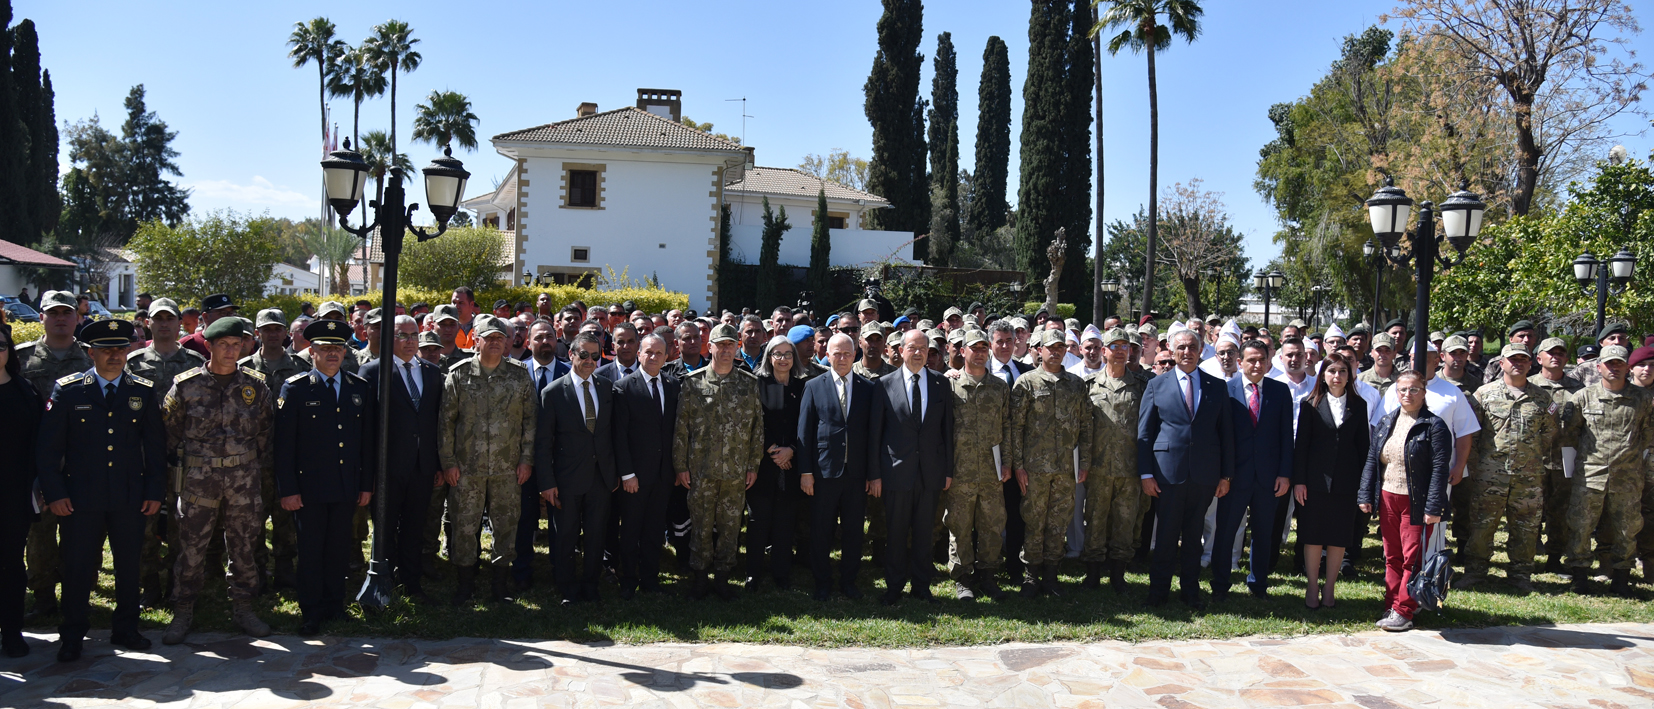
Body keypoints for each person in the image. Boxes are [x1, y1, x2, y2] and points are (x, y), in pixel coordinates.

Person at [35, 320, 165, 662]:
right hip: (80, 498)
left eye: (120, 349)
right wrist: (55, 493)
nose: (115, 356)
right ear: (91, 353)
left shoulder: (142, 391)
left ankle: (126, 628)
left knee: (128, 566)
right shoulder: (69, 390)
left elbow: (155, 448)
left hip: (129, 495)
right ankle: (72, 634)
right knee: (77, 566)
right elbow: (48, 450)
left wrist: (154, 491)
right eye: (107, 350)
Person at [160, 316, 273, 644]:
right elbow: (169, 434)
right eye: (223, 344)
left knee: (244, 545)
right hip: (199, 480)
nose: (230, 350)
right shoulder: (186, 386)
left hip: (243, 480)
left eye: (236, 344)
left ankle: (243, 606)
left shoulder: (256, 386)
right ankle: (183, 608)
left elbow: (265, 433)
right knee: (191, 546)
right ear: (208, 346)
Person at [273, 319, 374, 636]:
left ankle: (335, 605)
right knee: (311, 551)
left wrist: (365, 484)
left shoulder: (359, 388)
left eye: (338, 348)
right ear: (312, 352)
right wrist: (288, 489)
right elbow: (284, 445)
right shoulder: (296, 388)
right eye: (326, 348)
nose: (333, 354)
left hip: (345, 485)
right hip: (310, 488)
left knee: (339, 549)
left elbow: (366, 443)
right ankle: (311, 611)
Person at [439, 315, 537, 606]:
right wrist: (448, 462)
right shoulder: (458, 375)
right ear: (476, 341)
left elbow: (531, 421)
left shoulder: (519, 375)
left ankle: (499, 584)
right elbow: (446, 423)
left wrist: (526, 459)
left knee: (506, 525)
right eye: (489, 337)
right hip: (466, 469)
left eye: (500, 338)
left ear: (506, 342)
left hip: (508, 468)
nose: (495, 342)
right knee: (464, 526)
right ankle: (465, 584)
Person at [1137, 329, 1235, 609]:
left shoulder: (1216, 386)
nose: (1187, 352)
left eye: (1192, 347)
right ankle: (1158, 591)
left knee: (1194, 537)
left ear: (1201, 349)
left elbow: (1226, 434)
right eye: (1181, 347)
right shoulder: (1156, 384)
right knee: (1166, 535)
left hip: (1204, 474)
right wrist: (1146, 473)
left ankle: (1190, 591)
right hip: (1167, 474)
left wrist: (1226, 475)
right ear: (1171, 349)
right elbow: (1145, 433)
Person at [122, 297, 206, 604]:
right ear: (148, 323)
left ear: (179, 322)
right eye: (158, 319)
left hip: (183, 458)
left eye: (170, 318)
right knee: (144, 525)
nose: (164, 324)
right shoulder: (133, 363)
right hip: (144, 458)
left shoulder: (195, 362)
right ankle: (149, 585)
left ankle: (177, 585)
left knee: (181, 525)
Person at [673, 323, 764, 600]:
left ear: (737, 347)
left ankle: (723, 577)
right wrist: (680, 466)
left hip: (736, 471)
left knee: (730, 527)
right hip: (701, 470)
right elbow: (681, 428)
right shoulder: (693, 383)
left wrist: (753, 465)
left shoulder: (749, 383)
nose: (725, 349)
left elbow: (757, 429)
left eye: (730, 344)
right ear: (709, 347)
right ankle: (700, 578)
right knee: (700, 526)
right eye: (720, 344)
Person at [1458, 344, 1557, 593]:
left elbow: (1549, 434)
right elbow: (1472, 434)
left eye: (1523, 359)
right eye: (1513, 359)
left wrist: (1530, 458)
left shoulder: (1542, 398)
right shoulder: (1484, 394)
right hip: (1490, 475)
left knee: (1526, 527)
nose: (1518, 363)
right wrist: (1480, 465)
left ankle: (1520, 574)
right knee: (1482, 525)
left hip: (1528, 477)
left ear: (1530, 363)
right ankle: (1475, 571)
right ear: (1501, 363)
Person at [16, 290, 90, 619]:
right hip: (34, 460)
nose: (60, 318)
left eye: (66, 312)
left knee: (81, 531)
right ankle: (43, 595)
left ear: (78, 317)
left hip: (81, 460)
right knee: (40, 532)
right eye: (53, 312)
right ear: (41, 316)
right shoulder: (21, 358)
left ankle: (78, 595)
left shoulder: (90, 357)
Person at [1359, 371, 1452, 632]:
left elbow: (1440, 469)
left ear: (1424, 392)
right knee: (1392, 556)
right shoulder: (1387, 421)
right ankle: (1392, 603)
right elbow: (1372, 459)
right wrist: (1365, 494)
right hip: (1388, 497)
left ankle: (1404, 610)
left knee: (1413, 557)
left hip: (1417, 502)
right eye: (1402, 389)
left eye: (1414, 389)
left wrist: (1433, 506)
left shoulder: (1434, 426)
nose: (1407, 394)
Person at [359, 315, 444, 600]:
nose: (409, 341)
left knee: (414, 527)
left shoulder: (432, 372)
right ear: (388, 337)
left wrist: (437, 464)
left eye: (414, 335)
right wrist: (369, 472)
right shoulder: (373, 371)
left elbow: (435, 422)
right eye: (402, 335)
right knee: (384, 529)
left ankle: (411, 583)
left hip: (422, 466)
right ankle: (383, 582)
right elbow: (367, 426)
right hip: (387, 468)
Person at [868, 329, 955, 606]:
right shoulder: (884, 385)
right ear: (900, 350)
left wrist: (948, 471)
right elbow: (875, 434)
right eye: (912, 348)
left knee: (924, 533)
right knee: (895, 532)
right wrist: (875, 474)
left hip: (930, 472)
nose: (918, 353)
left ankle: (921, 586)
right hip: (896, 473)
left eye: (923, 349)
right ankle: (894, 587)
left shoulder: (941, 384)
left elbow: (947, 431)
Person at [1559, 345, 1652, 596]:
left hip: (1628, 477)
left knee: (1627, 528)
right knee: (1581, 526)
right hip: (1590, 475)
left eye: (1619, 363)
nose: (1614, 368)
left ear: (1628, 367)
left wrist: (1634, 461)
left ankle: (1621, 578)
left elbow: (1647, 435)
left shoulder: (1643, 399)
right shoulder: (1582, 397)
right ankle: (1579, 576)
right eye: (1609, 364)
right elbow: (1570, 434)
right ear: (1599, 367)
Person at [535, 332, 616, 605]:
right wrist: (547, 482)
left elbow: (611, 434)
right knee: (565, 536)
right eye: (584, 355)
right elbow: (543, 442)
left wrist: (614, 473)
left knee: (596, 535)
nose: (590, 360)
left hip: (600, 478)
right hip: (566, 480)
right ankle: (566, 587)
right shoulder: (553, 392)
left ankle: (591, 585)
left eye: (595, 355)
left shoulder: (606, 388)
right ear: (571, 354)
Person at [1009, 329, 1090, 597]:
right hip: (1035, 470)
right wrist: (1018, 465)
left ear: (1066, 351)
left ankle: (1051, 576)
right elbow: (1016, 428)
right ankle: (1031, 576)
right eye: (1050, 347)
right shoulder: (1026, 383)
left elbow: (1086, 426)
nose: (1055, 352)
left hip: (1065, 469)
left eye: (1060, 348)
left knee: (1058, 523)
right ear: (1039, 350)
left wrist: (1084, 463)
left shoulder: (1076, 384)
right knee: (1033, 522)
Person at [1211, 340, 1294, 602]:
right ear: (1240, 362)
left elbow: (1286, 435)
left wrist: (1284, 474)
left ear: (1269, 362)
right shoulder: (1226, 390)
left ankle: (1258, 584)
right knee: (1225, 532)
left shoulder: (1280, 391)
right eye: (1251, 360)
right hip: (1234, 477)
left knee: (1263, 533)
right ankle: (1220, 584)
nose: (1257, 365)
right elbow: (1220, 437)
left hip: (1269, 478)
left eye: (1262, 360)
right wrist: (1223, 475)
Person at [797, 334, 876, 602]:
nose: (842, 358)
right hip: (823, 473)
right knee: (822, 529)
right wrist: (806, 472)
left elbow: (872, 434)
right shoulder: (813, 386)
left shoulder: (868, 388)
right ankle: (822, 582)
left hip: (856, 474)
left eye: (846, 353)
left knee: (853, 531)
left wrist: (872, 474)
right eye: (836, 354)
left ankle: (849, 581)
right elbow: (804, 432)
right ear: (827, 355)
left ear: (854, 355)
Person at [1291, 352, 1369, 610]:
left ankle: (1330, 587)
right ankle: (1313, 585)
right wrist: (1299, 481)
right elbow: (1301, 447)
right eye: (1332, 371)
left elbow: (1363, 447)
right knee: (1312, 535)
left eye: (1342, 371)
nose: (1337, 376)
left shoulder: (1359, 405)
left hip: (1346, 483)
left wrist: (1364, 485)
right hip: (1314, 482)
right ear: (1323, 375)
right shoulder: (1310, 404)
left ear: (1350, 376)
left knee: (1338, 536)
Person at [239, 307, 308, 590]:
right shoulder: (243, 368)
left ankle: (284, 568)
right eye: (267, 329)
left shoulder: (301, 367)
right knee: (252, 517)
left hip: (289, 457)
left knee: (286, 518)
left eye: (277, 329)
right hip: (252, 459)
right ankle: (257, 570)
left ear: (285, 332)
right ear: (257, 333)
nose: (273, 334)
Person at [941, 328, 1011, 601]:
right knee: (959, 525)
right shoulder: (950, 385)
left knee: (992, 524)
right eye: (974, 348)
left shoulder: (1000, 387)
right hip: (961, 471)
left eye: (984, 348)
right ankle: (963, 578)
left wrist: (1007, 462)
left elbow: (1007, 427)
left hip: (992, 471)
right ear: (962, 351)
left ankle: (988, 575)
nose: (980, 353)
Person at [610, 333, 678, 598]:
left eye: (659, 353)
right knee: (630, 529)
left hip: (663, 475)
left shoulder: (673, 385)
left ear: (666, 357)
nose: (653, 357)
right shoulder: (624, 387)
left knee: (654, 529)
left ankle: (650, 579)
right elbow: (619, 435)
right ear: (639, 354)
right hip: (635, 476)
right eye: (648, 352)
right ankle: (628, 579)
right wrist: (627, 474)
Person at [1081, 328, 1148, 592]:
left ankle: (1118, 575)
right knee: (1095, 521)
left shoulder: (1141, 385)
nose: (1120, 351)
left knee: (1125, 523)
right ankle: (1093, 575)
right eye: (1114, 346)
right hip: (1098, 468)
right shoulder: (1089, 385)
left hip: (1130, 469)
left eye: (1124, 346)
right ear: (1103, 351)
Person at [746, 336, 806, 591]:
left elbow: (806, 423)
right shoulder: (758, 384)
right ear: (769, 357)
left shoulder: (803, 386)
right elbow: (753, 421)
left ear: (794, 358)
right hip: (763, 463)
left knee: (785, 520)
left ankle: (781, 572)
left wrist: (791, 450)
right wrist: (772, 449)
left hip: (792, 464)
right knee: (758, 520)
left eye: (788, 354)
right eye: (777, 354)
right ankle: (753, 573)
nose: (783, 359)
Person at [514, 320, 570, 590]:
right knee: (524, 517)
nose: (544, 342)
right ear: (528, 342)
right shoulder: (516, 373)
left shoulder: (570, 372)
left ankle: (560, 571)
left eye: (549, 336)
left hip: (561, 460)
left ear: (557, 339)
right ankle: (522, 570)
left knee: (561, 517)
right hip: (523, 459)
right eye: (538, 338)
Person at [0, 325, 41, 657]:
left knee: (11, 565)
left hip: (13, 495)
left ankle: (11, 631)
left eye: (0, 345)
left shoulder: (25, 391)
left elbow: (39, 444)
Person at [1532, 336, 1584, 572]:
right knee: (1530, 508)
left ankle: (1554, 558)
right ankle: (1527, 556)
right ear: (1539, 358)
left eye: (1561, 353)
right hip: (1535, 456)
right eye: (1551, 353)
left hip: (1567, 457)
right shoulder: (1529, 386)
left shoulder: (1579, 390)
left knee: (1561, 509)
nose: (1556, 357)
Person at [177, 294, 238, 358]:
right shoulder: (188, 344)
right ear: (205, 316)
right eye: (223, 313)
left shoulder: (239, 343)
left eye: (231, 313)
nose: (228, 317)